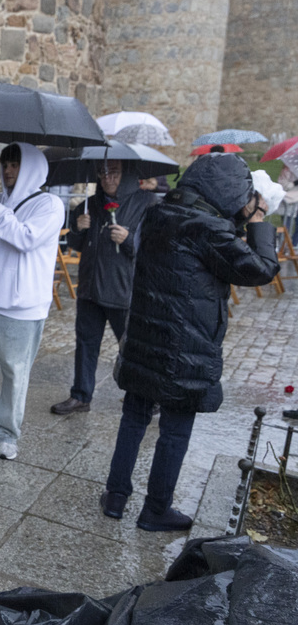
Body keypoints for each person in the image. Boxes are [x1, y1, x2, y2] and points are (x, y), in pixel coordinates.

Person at [102, 153, 279, 531]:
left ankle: (115, 497)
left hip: (146, 337)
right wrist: (259, 219)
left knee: (133, 419)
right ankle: (155, 510)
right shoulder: (208, 229)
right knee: (175, 431)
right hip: (186, 348)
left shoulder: (159, 213)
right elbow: (261, 269)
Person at [0, 143, 65, 460]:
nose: (7, 170)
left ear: (31, 168)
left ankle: (7, 433)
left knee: (15, 372)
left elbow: (26, 239)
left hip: (21, 306)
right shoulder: (0, 201)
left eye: (15, 164)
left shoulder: (50, 205)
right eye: (5, 163)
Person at [50, 160, 155, 415]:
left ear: (126, 173)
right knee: (86, 344)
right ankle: (81, 395)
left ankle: (148, 397)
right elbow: (76, 244)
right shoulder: (90, 204)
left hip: (123, 290)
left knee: (131, 347)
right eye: (103, 172)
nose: (108, 177)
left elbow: (154, 247)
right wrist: (77, 227)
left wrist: (129, 240)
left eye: (114, 172)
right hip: (90, 288)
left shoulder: (146, 203)